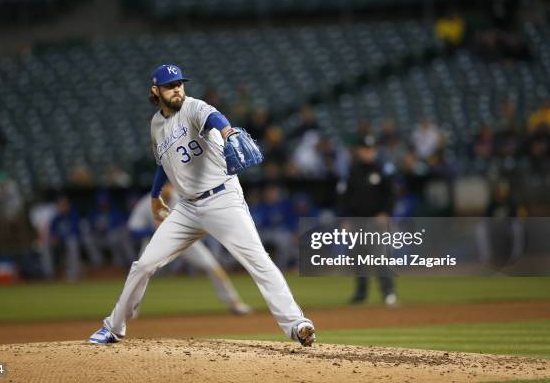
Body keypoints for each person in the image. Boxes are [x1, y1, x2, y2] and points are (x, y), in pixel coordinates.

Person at [89, 64, 315, 346]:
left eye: (180, 84)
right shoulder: (156, 125)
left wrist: (229, 133)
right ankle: (113, 327)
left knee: (257, 260)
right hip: (186, 209)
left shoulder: (193, 107)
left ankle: (297, 324)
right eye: (170, 86)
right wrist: (154, 196)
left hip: (222, 199)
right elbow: (163, 162)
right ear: (155, 91)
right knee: (143, 264)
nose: (177, 89)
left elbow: (214, 118)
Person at [128, 183, 252, 316]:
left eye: (170, 184)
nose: (169, 188)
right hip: (156, 242)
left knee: (213, 267)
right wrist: (152, 230)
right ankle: (130, 311)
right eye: (165, 185)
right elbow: (133, 230)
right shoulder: (146, 203)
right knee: (141, 271)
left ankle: (234, 303)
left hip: (184, 240)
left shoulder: (181, 197)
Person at [336, 135, 397, 306]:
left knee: (380, 257)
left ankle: (388, 292)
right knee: (358, 258)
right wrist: (345, 219)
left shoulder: (383, 169)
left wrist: (386, 212)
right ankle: (361, 293)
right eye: (365, 149)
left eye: (371, 150)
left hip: (376, 220)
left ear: (375, 151)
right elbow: (344, 197)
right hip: (356, 220)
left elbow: (391, 194)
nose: (368, 153)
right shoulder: (352, 170)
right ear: (359, 151)